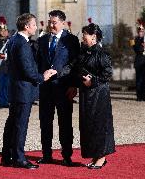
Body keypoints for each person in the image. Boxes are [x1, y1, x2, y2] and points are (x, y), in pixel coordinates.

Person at [1, 13, 56, 169]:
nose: (36, 27)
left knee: (12, 123)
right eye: (34, 24)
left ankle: (7, 156)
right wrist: (42, 77)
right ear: (26, 26)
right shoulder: (22, 43)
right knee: (20, 125)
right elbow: (27, 70)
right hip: (23, 90)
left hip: (16, 89)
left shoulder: (13, 40)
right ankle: (19, 158)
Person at [36, 10, 80, 166]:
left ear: (62, 22)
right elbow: (38, 63)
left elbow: (75, 64)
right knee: (45, 123)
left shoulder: (72, 40)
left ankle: (67, 155)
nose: (51, 25)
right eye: (49, 22)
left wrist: (74, 85)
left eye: (54, 22)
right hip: (46, 89)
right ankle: (46, 154)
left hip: (64, 87)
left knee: (65, 123)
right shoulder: (42, 40)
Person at [76, 23, 115, 169]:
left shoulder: (102, 54)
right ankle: (94, 156)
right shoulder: (84, 52)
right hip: (86, 95)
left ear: (93, 36)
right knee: (88, 125)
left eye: (85, 33)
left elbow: (107, 74)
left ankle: (101, 157)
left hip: (99, 94)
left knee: (99, 125)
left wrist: (92, 81)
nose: (83, 37)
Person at [132, 20, 145, 101]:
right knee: (139, 80)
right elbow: (137, 50)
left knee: (144, 80)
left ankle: (144, 96)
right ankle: (139, 97)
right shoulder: (133, 40)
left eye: (143, 31)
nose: (141, 32)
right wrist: (142, 44)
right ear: (138, 31)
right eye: (140, 30)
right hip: (139, 63)